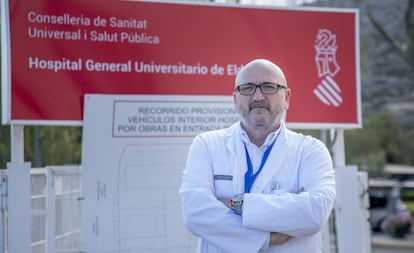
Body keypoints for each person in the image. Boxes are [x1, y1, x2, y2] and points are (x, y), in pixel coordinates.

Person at [179, 59, 336, 253]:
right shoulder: (207, 145)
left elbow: (315, 213)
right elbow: (195, 214)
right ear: (235, 100)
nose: (258, 96)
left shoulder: (311, 151)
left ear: (286, 97)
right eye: (248, 88)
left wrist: (237, 204)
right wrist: (267, 236)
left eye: (269, 87)